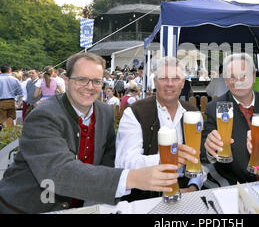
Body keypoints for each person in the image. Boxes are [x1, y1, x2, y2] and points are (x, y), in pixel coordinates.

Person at [0, 53, 197, 214]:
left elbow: (108, 159)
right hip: (30, 207)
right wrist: (134, 178)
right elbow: (59, 173)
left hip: (84, 206)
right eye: (81, 79)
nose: (89, 87)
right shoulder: (44, 115)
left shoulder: (104, 112)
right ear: (66, 81)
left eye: (96, 81)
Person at [115, 56, 201, 201]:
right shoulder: (135, 112)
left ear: (183, 83)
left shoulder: (193, 113)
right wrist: (165, 159)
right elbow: (124, 162)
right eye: (163, 78)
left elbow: (198, 158)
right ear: (155, 82)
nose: (169, 84)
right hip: (146, 194)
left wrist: (194, 186)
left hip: (186, 190)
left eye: (175, 79)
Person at [202, 53, 259, 186]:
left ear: (254, 77)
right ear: (226, 81)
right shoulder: (214, 108)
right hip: (236, 183)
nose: (238, 81)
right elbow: (203, 151)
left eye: (244, 75)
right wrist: (209, 148)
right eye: (232, 77)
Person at [0, 64, 23, 130]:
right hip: (11, 101)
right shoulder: (14, 79)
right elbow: (20, 92)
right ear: (9, 70)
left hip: (1, 102)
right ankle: (10, 133)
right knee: (11, 117)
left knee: (2, 119)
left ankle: (3, 133)